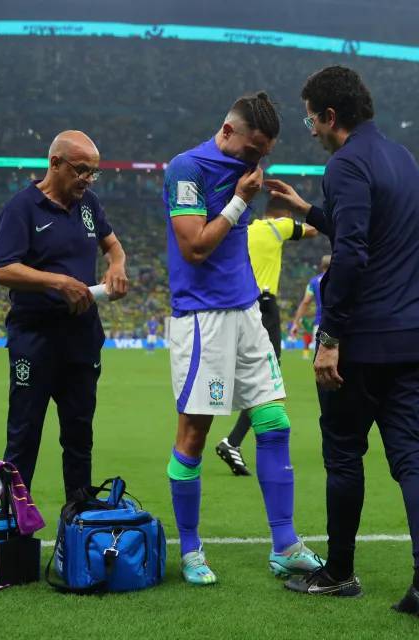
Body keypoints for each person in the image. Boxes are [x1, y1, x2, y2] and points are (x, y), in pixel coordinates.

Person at [265, 65, 419, 620]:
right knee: (411, 457)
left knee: (345, 457)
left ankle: (339, 572)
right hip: (413, 334)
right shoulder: (405, 159)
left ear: (331, 116)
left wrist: (330, 336)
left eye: (311, 118)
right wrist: (308, 212)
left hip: (363, 340)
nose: (310, 129)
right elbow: (372, 231)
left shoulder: (344, 163)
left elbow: (353, 254)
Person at [162, 92, 323, 586]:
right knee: (195, 433)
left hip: (247, 310)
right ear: (228, 131)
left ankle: (285, 544)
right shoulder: (186, 169)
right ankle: (190, 550)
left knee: (274, 423)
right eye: (253, 149)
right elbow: (193, 248)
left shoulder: (244, 169)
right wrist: (239, 201)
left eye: (264, 153)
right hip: (200, 321)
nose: (257, 161)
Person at [0, 131, 129, 499]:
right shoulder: (21, 208)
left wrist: (117, 264)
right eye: (81, 170)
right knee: (23, 437)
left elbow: (112, 245)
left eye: (93, 172)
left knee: (80, 437)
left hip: (81, 337)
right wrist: (57, 282)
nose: (87, 179)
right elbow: (0, 270)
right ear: (55, 163)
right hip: (35, 339)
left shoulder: (89, 204)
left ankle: (78, 526)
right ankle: (15, 530)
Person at [214, 197, 318, 477]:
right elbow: (313, 230)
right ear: (282, 213)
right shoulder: (279, 226)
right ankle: (234, 442)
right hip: (264, 306)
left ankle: (232, 442)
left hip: (239, 305)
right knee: (268, 379)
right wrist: (298, 211)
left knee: (252, 376)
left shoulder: (245, 231)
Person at [291, 255, 330, 360]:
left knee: (321, 358)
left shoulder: (313, 282)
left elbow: (306, 302)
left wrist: (296, 322)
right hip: (340, 323)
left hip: (321, 323)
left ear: (321, 266)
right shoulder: (340, 279)